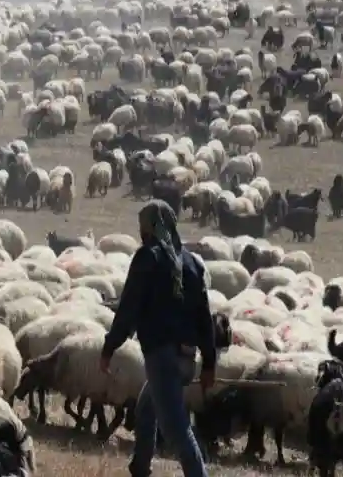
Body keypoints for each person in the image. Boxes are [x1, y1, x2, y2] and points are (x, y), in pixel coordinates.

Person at [99, 200, 216, 477]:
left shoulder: (148, 258)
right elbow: (204, 315)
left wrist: (109, 347)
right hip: (187, 358)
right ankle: (140, 467)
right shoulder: (192, 263)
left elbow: (129, 307)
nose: (141, 233)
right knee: (146, 409)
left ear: (151, 227)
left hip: (162, 356)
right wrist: (209, 362)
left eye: (143, 227)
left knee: (177, 429)